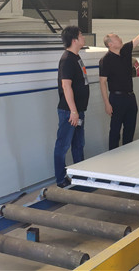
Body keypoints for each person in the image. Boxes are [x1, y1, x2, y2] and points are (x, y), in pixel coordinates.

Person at [99, 16, 139, 150]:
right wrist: (107, 103)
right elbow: (102, 82)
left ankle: (127, 152)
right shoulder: (105, 60)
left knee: (130, 127)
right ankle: (113, 154)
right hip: (116, 98)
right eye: (116, 37)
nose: (120, 39)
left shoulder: (125, 51)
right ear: (110, 44)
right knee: (115, 130)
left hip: (130, 97)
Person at [53, 26, 89, 188]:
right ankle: (61, 179)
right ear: (74, 40)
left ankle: (80, 175)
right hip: (69, 112)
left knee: (78, 144)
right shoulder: (67, 59)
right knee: (63, 145)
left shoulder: (76, 57)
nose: (83, 37)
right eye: (81, 35)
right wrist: (73, 111)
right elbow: (66, 86)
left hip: (78, 110)